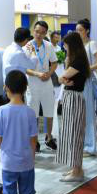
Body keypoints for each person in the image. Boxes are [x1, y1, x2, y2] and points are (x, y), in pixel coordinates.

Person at [0, 70, 38, 194]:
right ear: (25, 88)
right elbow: (33, 139)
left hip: (8, 163)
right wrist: (31, 156)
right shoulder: (30, 112)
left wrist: (4, 148)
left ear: (6, 88)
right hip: (26, 162)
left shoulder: (1, 111)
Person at [56, 31, 90, 182]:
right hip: (72, 98)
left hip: (74, 99)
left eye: (66, 45)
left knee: (74, 134)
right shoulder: (76, 60)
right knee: (71, 133)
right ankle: (76, 168)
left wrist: (63, 79)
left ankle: (77, 171)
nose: (64, 48)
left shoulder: (78, 61)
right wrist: (63, 79)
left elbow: (61, 77)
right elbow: (62, 78)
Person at [25, 21, 58, 151]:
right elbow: (24, 68)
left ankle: (49, 138)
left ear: (46, 33)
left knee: (49, 111)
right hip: (32, 83)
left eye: (42, 33)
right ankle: (35, 140)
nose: (39, 35)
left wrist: (49, 73)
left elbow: (54, 63)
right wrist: (37, 74)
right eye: (37, 31)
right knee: (33, 113)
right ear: (33, 31)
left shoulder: (48, 45)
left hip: (47, 82)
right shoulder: (27, 46)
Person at [75, 18, 97, 156]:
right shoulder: (77, 45)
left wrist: (86, 69)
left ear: (86, 30)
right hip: (76, 82)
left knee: (88, 114)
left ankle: (90, 147)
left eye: (80, 30)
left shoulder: (92, 44)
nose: (78, 32)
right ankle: (82, 144)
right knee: (79, 114)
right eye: (76, 30)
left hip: (86, 81)